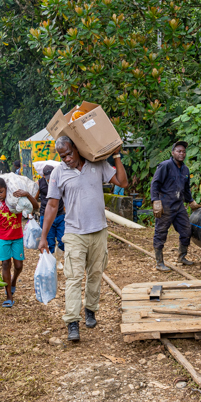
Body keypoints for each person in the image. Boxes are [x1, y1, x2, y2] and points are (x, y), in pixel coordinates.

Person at [38, 136, 128, 342]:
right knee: (73, 277)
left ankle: (90, 310)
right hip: (74, 232)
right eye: (62, 156)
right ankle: (72, 321)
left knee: (96, 273)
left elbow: (123, 182)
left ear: (77, 149)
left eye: (69, 153)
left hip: (99, 231)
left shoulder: (98, 164)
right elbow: (52, 205)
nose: (67, 159)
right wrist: (44, 237)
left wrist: (116, 155)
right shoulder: (59, 172)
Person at [0, 177, 39, 308]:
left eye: (1, 192)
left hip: (17, 238)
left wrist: (26, 194)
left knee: (19, 266)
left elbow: (35, 207)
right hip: (2, 239)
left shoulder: (17, 201)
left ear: (6, 189)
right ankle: (9, 295)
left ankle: (13, 280)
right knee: (5, 264)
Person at [151, 141, 201, 271]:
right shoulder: (165, 166)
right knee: (161, 233)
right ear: (173, 152)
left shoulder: (185, 169)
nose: (182, 153)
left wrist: (191, 201)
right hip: (165, 205)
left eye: (184, 151)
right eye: (179, 151)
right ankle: (159, 262)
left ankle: (182, 256)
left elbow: (186, 189)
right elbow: (155, 184)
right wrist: (155, 201)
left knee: (186, 230)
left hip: (179, 205)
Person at [36, 165, 65, 254]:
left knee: (63, 240)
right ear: (43, 176)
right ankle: (51, 263)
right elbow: (35, 198)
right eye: (48, 178)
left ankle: (58, 258)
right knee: (49, 242)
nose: (50, 180)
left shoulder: (61, 181)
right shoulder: (39, 183)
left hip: (60, 214)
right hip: (46, 215)